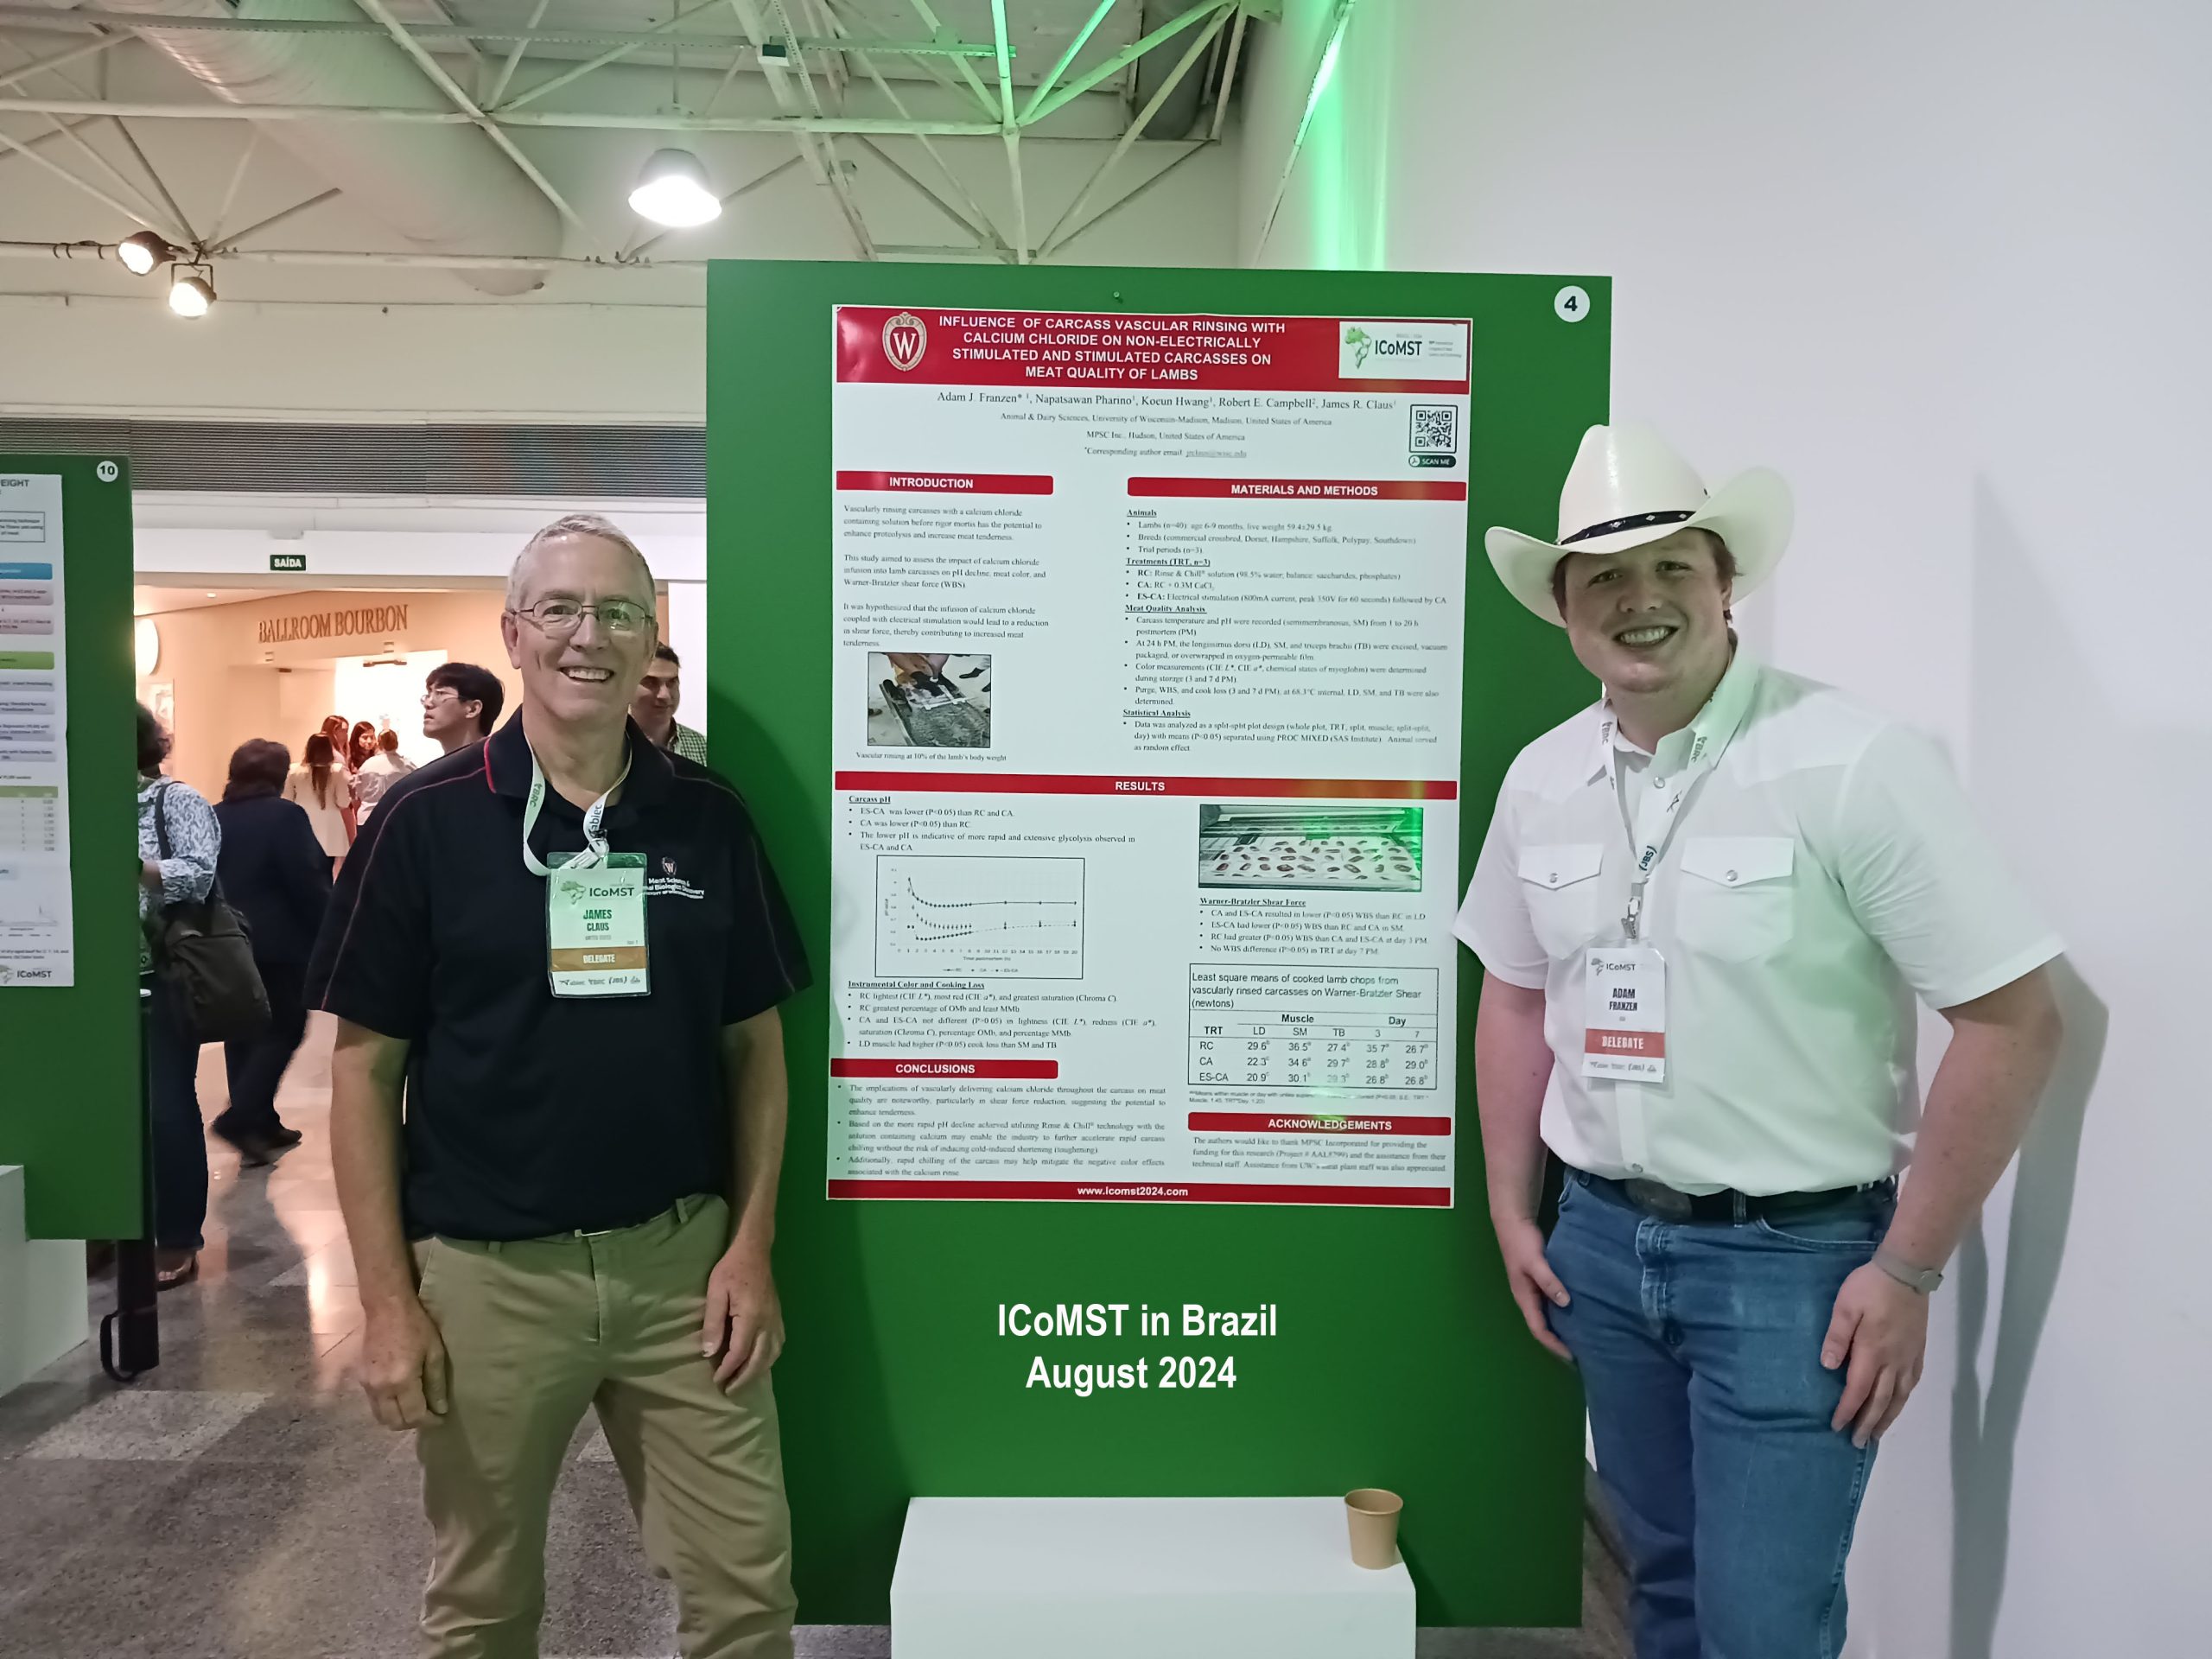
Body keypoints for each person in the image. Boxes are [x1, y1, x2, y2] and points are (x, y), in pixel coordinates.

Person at [1456, 424, 2065, 1659]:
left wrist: (1906, 1271)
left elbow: (2013, 1019)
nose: (1642, 604)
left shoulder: (1851, 763)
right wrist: (1518, 1211)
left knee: (1764, 1622)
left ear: (1725, 584)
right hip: (1606, 1249)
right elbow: (1516, 995)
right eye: (1606, 581)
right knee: (1664, 1584)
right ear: (1565, 612)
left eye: (1673, 569)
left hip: (1796, 1268)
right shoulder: (1540, 780)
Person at [308, 512, 810, 1658]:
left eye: (620, 612)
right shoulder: (422, 822)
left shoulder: (707, 817)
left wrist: (750, 1246)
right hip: (486, 1280)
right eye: (563, 611)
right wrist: (388, 1302)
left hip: (682, 1271)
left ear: (652, 640)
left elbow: (756, 1051)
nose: (591, 636)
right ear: (515, 635)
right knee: (481, 1608)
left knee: (746, 1602)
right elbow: (361, 1071)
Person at [211, 739, 332, 1166]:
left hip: (226, 943)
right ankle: (242, 1115)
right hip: (280, 943)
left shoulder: (215, 816)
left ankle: (261, 1121)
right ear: (279, 777)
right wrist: (331, 931)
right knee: (285, 1027)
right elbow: (307, 880)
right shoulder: (285, 816)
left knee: (241, 1031)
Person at [137, 702, 220, 1290]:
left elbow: (198, 872)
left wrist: (136, 868)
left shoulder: (175, 799)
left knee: (165, 1107)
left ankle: (176, 1234)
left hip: (161, 971)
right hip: (86, 979)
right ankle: (114, 1226)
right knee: (106, 1111)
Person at [285, 732, 354, 872]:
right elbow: (343, 802)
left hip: (303, 826)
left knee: (304, 872)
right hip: (330, 829)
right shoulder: (337, 771)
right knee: (327, 874)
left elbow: (287, 800)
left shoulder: (294, 770)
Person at [632, 642, 710, 765]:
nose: (665, 695)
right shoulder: (607, 745)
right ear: (626, 686)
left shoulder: (703, 747)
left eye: (672, 682)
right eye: (650, 682)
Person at [422, 661, 504, 754]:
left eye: (440, 693)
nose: (427, 704)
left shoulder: (499, 765)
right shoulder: (440, 768)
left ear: (473, 709)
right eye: (428, 695)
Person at [354, 727, 416, 824]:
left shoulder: (367, 765)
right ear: (397, 743)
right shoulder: (408, 766)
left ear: (378, 743)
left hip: (368, 817)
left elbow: (359, 793)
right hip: (397, 818)